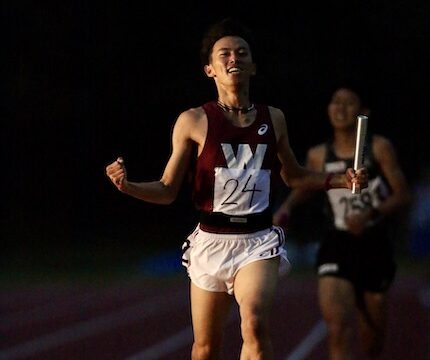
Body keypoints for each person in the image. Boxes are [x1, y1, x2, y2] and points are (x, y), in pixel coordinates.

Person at [105, 19, 368, 360]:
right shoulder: (193, 121)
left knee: (255, 324)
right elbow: (168, 189)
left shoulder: (273, 118)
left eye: (242, 53)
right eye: (225, 53)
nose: (234, 58)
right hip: (211, 241)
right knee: (204, 348)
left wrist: (339, 180)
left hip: (257, 241)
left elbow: (294, 175)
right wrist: (128, 186)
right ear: (210, 69)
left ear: (253, 66)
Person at [273, 85, 411, 359]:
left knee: (372, 336)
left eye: (348, 103)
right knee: (337, 327)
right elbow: (305, 185)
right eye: (335, 102)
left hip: (374, 243)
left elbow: (402, 194)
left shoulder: (379, 148)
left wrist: (370, 214)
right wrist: (285, 208)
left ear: (363, 112)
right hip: (336, 242)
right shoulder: (318, 154)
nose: (340, 108)